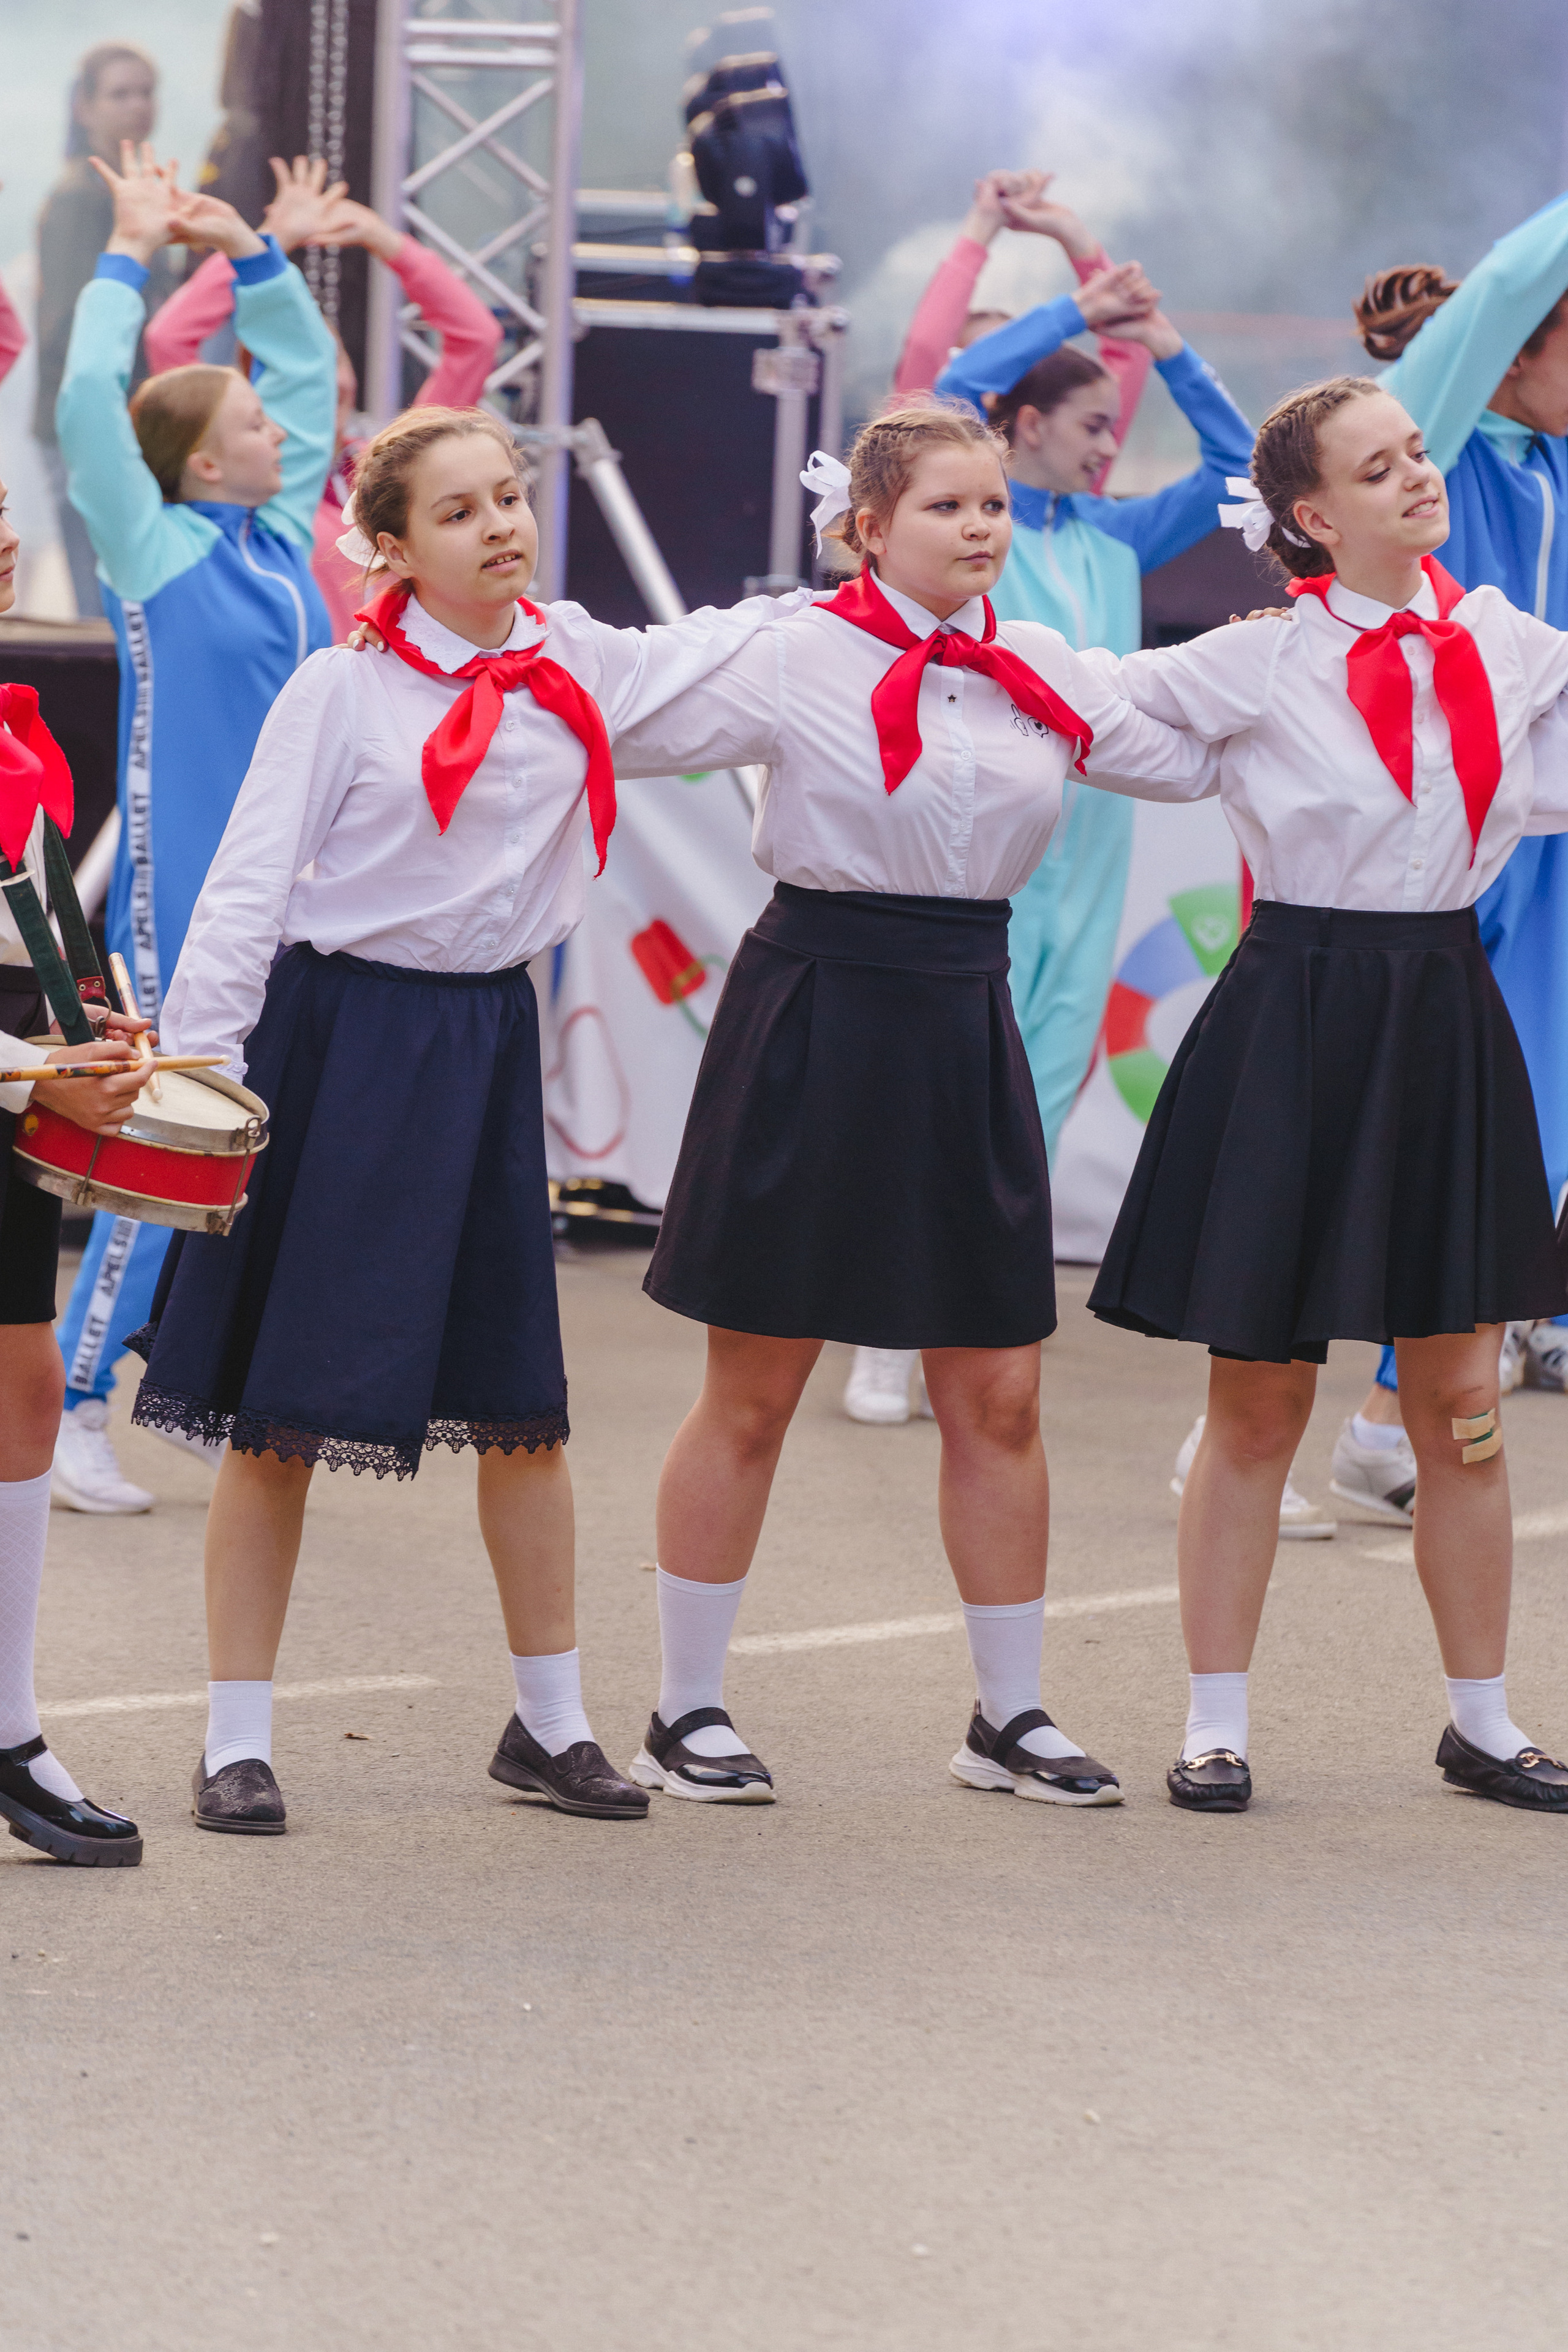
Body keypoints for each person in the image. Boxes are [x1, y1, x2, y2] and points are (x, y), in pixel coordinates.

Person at [123, 405, 810, 1837]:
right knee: (278, 1418)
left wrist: (856, 605)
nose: (501, 523)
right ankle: (235, 1739)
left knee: (523, 1414)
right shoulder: (340, 688)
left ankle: (547, 1722)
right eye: (459, 510)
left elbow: (710, 659)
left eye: (508, 496)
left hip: (486, 1046)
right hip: (343, 1042)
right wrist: (197, 1082)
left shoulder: (575, 657)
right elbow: (248, 888)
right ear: (389, 547)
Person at [604, 400, 1213, 1811]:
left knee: (994, 1386)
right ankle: (681, 1707)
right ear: (867, 525)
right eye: (947, 505)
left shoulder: (1044, 663)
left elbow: (1182, 753)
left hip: (960, 1011)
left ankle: (1008, 1717)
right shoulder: (789, 650)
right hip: (814, 1004)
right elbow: (619, 711)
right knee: (753, 1387)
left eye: (993, 505)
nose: (981, 527)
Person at [1087, 375, 1568, 1816]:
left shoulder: (1504, 645)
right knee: (1256, 1396)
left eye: (1415, 453)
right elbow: (1080, 702)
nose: (1416, 477)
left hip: (1439, 1013)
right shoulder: (1252, 662)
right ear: (1310, 516)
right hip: (1289, 1013)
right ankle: (1211, 1724)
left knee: (1457, 1395)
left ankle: (1478, 1721)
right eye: (1379, 467)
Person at [48, 144, 339, 1517]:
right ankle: (72, 1397)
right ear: (202, 455)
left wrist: (252, 253)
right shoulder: (151, 546)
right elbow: (84, 408)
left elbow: (316, 384)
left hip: (305, 899)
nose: (284, 435)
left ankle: (184, 1386)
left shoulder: (280, 543)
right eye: (257, 422)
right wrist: (122, 254)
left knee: (259, 1153)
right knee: (167, 1140)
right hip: (185, 900)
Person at [846, 169, 1155, 1430]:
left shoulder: (1102, 533)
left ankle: (959, 1311)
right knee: (945, 1084)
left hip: (1093, 849)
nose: (1100, 438)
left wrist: (1083, 248)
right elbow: (931, 387)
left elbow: (1116, 368)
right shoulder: (981, 511)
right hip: (986, 838)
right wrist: (984, 239)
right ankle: (880, 1320)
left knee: (1038, 1089)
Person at [1298, 203, 1568, 1533]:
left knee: (1526, 1146)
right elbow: (1517, 275)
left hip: (1547, 834)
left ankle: (1388, 1418)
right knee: (1400, 1146)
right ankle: (1257, 1417)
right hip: (1438, 842)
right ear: (1506, 355)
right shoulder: (1445, 452)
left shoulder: (1559, 464)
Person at [0, 480, 150, 1864]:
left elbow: (42, 920)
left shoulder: (22, 738)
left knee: (26, 1385)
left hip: (3, 1102)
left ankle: (8, 1725)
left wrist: (84, 1014)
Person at [145, 181, 502, 639]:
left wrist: (384, 239)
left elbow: (476, 340)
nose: (331, 382)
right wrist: (261, 244)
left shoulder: (395, 464)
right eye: (308, 374)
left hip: (389, 692)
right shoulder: (231, 482)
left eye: (336, 361)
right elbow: (168, 340)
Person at [32, 42, 177, 621]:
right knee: (107, 610)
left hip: (118, 418)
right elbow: (67, 326)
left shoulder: (121, 195)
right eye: (120, 93)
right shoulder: (79, 201)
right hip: (92, 424)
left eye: (146, 92)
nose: (138, 106)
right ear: (84, 107)